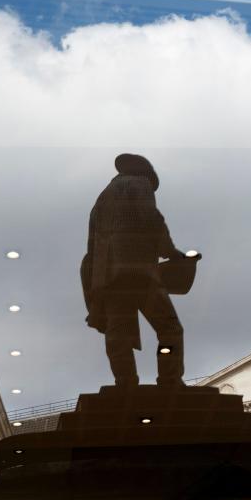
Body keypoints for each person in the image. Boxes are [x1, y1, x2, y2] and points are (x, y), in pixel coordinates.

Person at [82, 153, 185, 386]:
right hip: (137, 271)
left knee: (118, 331)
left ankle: (125, 383)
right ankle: (170, 380)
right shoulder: (139, 183)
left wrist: (95, 282)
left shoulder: (101, 199)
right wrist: (171, 253)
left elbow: (91, 246)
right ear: (146, 174)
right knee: (169, 328)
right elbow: (152, 219)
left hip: (107, 277)